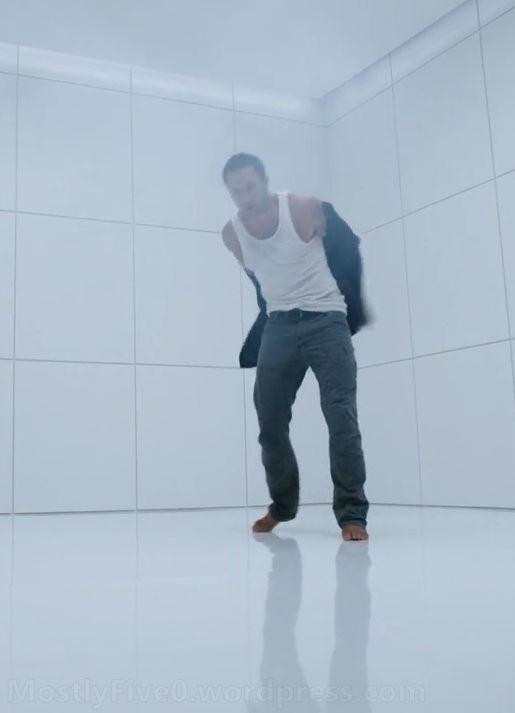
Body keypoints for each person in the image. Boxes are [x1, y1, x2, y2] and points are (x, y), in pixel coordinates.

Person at [221, 153, 369, 541]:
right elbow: (261, 279)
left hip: (326, 319)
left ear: (265, 181)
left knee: (341, 416)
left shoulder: (303, 208)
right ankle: (282, 506)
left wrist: (351, 310)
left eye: (250, 186)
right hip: (279, 326)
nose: (245, 197)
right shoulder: (231, 234)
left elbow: (348, 249)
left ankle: (352, 513)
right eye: (236, 191)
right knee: (269, 419)